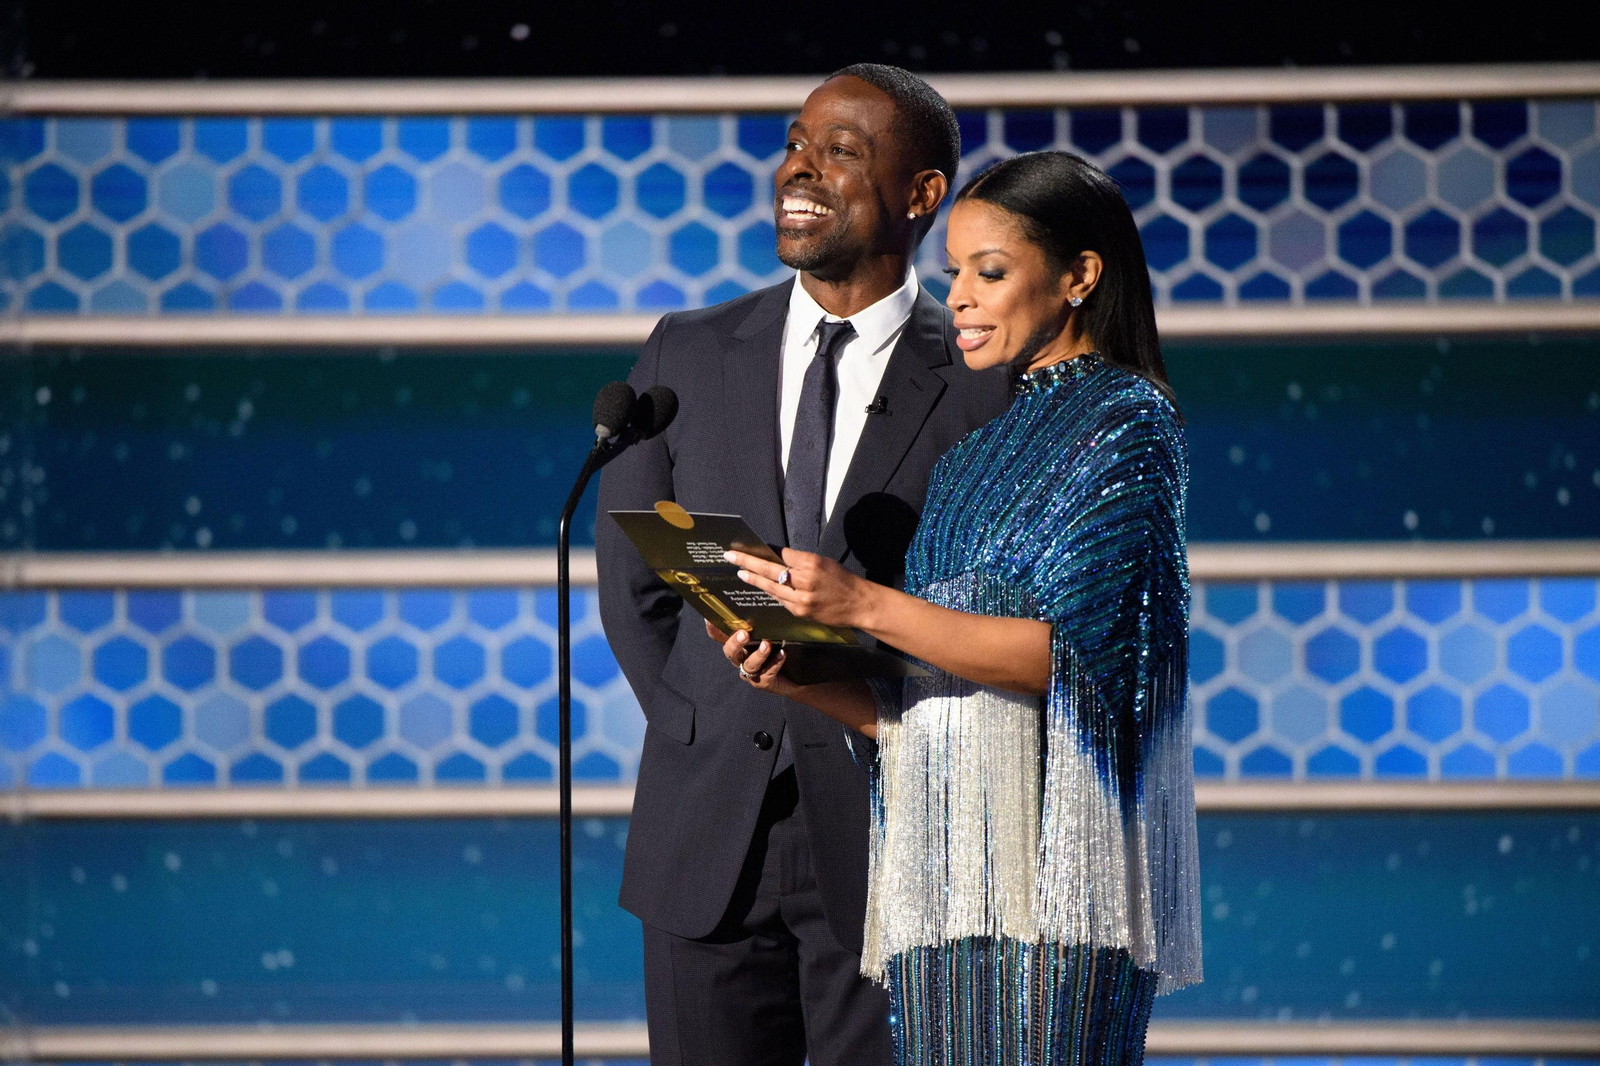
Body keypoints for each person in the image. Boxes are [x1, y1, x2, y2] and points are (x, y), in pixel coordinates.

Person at [717, 150, 1203, 1066]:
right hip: (944, 887)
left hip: (1053, 900)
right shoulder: (974, 454)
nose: (963, 299)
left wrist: (862, 601)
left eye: (990, 272)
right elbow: (932, 709)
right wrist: (799, 677)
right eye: (954, 274)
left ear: (1078, 279)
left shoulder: (1127, 422)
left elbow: (1080, 664)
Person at [595, 65, 1013, 1065]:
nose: (799, 169)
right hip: (705, 841)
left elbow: (993, 611)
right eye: (794, 143)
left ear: (922, 194)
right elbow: (634, 585)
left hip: (897, 841)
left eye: (840, 151)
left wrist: (870, 710)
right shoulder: (688, 352)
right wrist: (709, 712)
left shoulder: (978, 381)